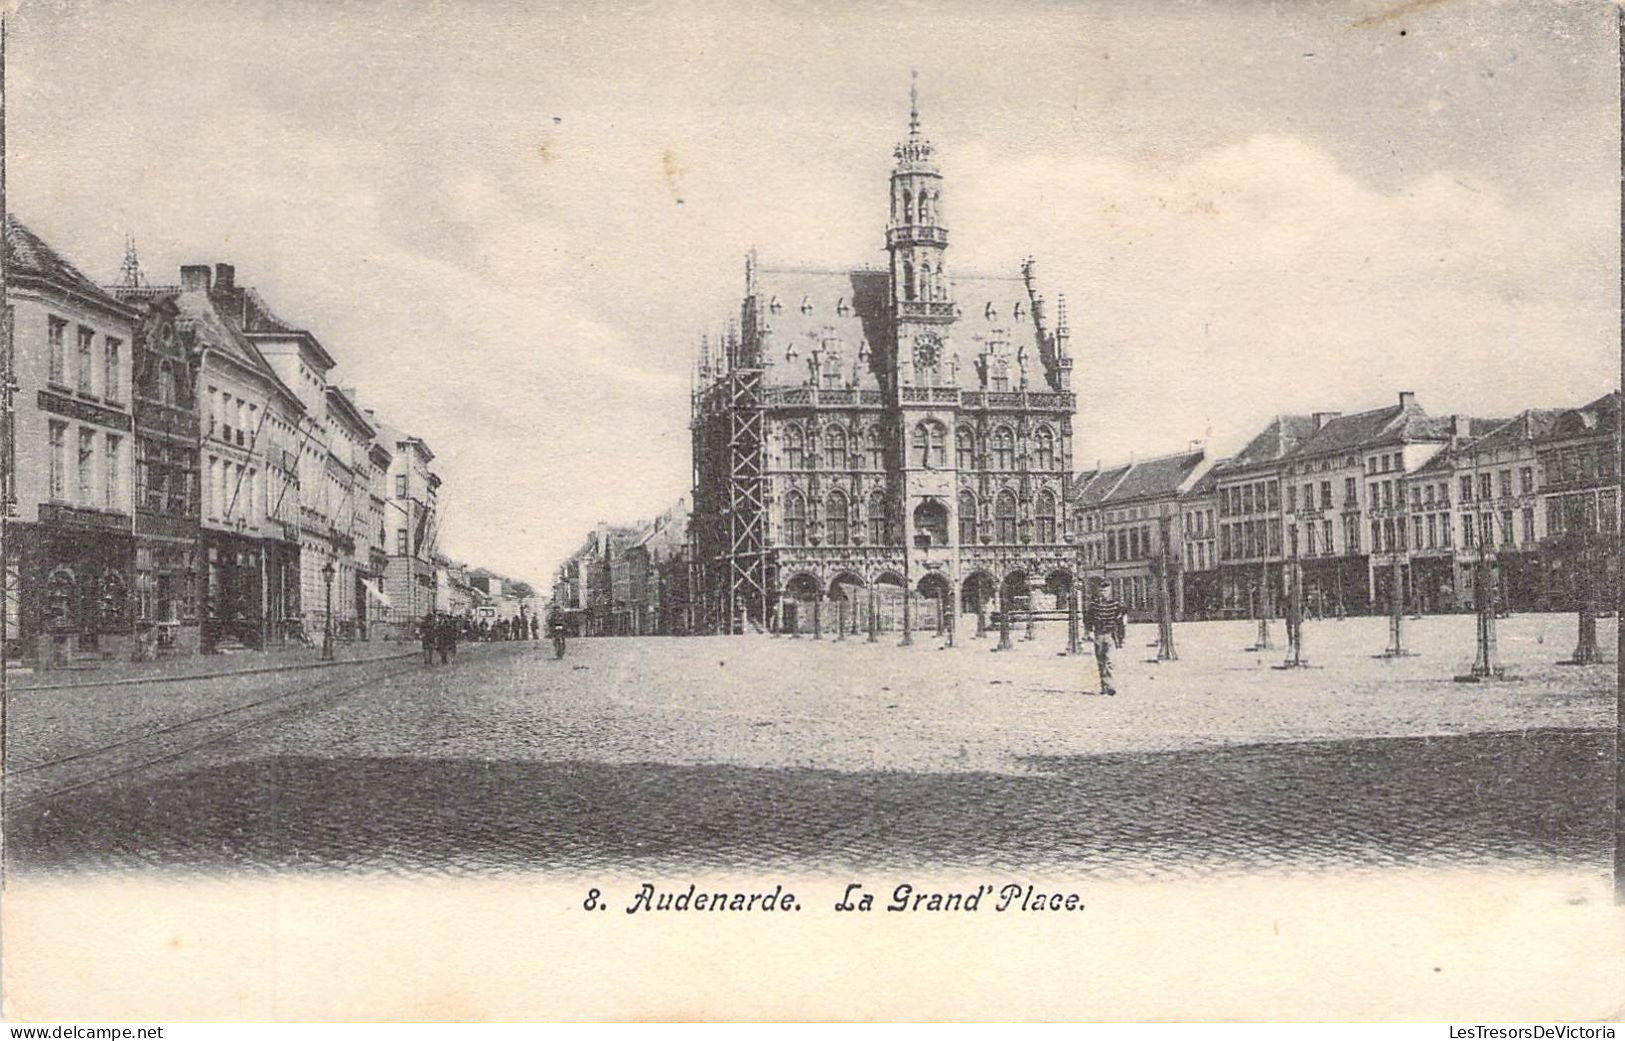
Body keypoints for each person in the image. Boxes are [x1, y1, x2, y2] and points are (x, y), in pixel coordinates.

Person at [1085, 580, 1124, 696]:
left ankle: (1110, 685)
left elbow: (1121, 621)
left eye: (1106, 591)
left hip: (1110, 635)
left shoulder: (1115, 604)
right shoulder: (1094, 605)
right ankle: (1104, 686)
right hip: (1098, 635)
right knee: (1101, 661)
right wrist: (1089, 632)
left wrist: (1121, 638)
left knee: (1109, 660)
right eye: (1101, 591)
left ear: (1110, 591)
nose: (1103, 593)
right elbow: (1088, 619)